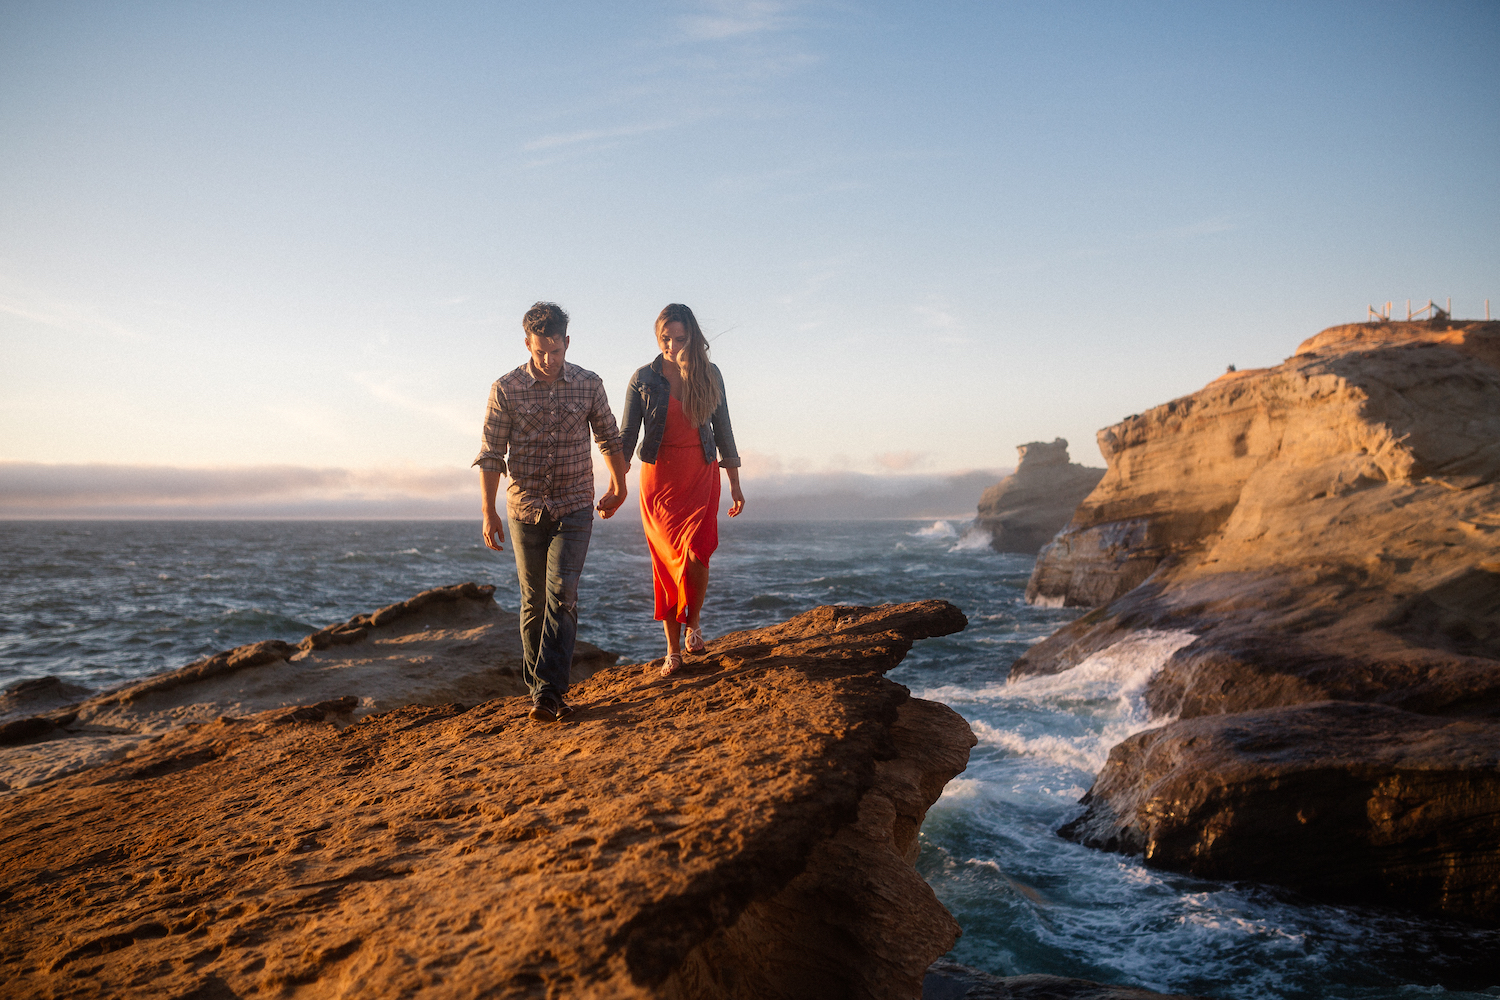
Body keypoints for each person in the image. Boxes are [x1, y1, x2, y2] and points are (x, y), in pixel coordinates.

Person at [474, 301, 628, 722]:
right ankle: (541, 690)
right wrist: (489, 512)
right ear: (528, 343)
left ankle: (549, 693)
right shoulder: (505, 388)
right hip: (524, 508)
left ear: (567, 343)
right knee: (533, 603)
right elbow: (491, 455)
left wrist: (619, 485)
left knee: (563, 593)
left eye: (555, 351)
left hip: (575, 502)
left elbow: (610, 438)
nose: (548, 360)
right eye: (540, 351)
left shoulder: (589, 384)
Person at [620, 303, 744, 677]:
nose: (672, 346)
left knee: (697, 554)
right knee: (667, 563)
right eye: (665, 339)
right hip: (660, 481)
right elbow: (626, 439)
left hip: (702, 473)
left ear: (693, 336)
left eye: (680, 338)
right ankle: (672, 650)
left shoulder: (710, 374)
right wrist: (615, 485)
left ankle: (695, 623)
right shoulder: (643, 377)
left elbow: (724, 431)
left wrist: (735, 484)